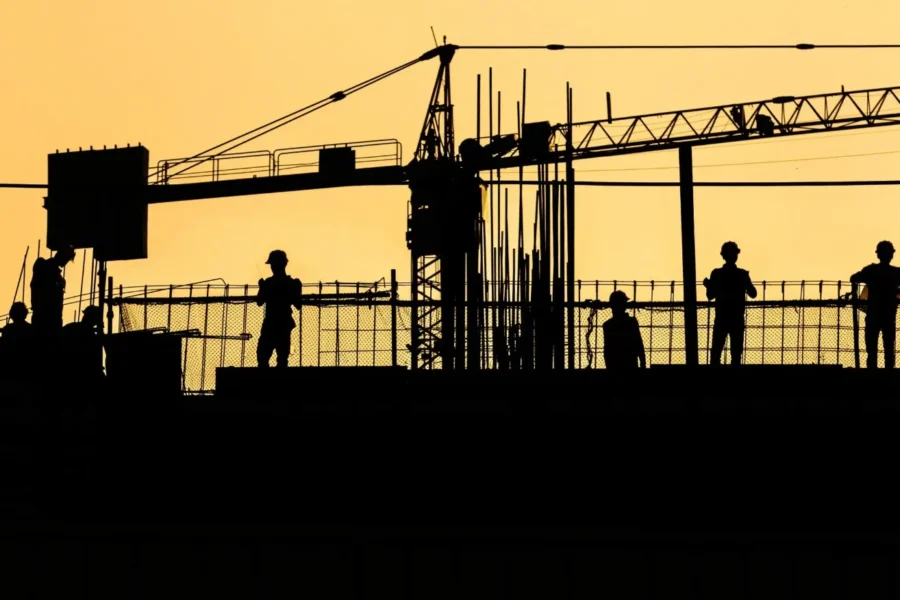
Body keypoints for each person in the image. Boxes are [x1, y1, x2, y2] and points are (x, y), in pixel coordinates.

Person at [704, 241, 757, 365]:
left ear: (723, 255)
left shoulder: (716, 274)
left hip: (721, 318)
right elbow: (753, 293)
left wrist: (708, 285)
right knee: (736, 355)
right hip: (737, 318)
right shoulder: (742, 274)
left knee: (716, 354)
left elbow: (710, 296)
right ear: (736, 256)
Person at [850, 241, 900, 369]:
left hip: (874, 315)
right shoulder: (896, 273)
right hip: (889, 316)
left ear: (878, 255)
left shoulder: (871, 271)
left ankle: (872, 375)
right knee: (889, 349)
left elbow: (853, 278)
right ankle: (889, 376)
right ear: (891, 255)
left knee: (871, 350)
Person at [256, 250, 302, 368]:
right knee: (278, 358)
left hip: (273, 324)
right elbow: (298, 304)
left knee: (266, 357)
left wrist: (263, 288)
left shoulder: (269, 283)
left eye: (273, 264)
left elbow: (259, 302)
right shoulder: (291, 283)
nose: (272, 267)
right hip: (282, 324)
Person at [30, 245, 76, 338]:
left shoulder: (56, 273)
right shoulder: (42, 265)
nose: (66, 262)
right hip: (44, 315)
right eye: (66, 259)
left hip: (54, 316)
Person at [602, 290, 646, 370]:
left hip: (615, 367)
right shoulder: (631, 322)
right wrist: (643, 364)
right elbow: (639, 345)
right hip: (631, 365)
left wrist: (608, 367)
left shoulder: (608, 325)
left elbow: (607, 351)